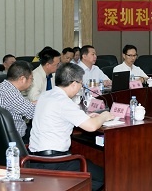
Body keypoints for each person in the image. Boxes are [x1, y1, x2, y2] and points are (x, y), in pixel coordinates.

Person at [28, 63, 113, 191]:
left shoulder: (46, 95)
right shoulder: (64, 102)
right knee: (103, 175)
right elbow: (91, 127)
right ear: (74, 84)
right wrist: (104, 116)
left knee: (90, 164)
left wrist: (85, 116)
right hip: (54, 162)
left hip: (34, 159)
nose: (81, 87)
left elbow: (60, 116)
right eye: (81, 84)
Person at [0, 61, 36, 142]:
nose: (32, 82)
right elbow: (32, 112)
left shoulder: (4, 86)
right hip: (12, 140)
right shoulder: (10, 92)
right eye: (31, 79)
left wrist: (36, 103)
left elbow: (23, 105)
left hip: (0, 136)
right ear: (22, 79)